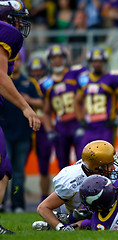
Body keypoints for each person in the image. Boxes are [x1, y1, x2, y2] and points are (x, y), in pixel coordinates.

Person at [0, 0, 40, 234]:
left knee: (4, 168)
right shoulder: (7, 33)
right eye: (18, 18)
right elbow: (1, 77)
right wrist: (26, 107)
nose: (21, 24)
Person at [33, 140, 118, 231]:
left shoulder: (103, 166)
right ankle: (68, 222)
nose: (113, 168)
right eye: (110, 164)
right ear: (96, 168)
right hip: (79, 212)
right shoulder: (72, 179)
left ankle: (65, 221)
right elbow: (43, 207)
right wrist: (61, 228)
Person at [0, 54, 43, 213]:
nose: (16, 63)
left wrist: (28, 100)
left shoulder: (29, 82)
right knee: (4, 169)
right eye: (14, 60)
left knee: (18, 171)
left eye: (18, 60)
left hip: (23, 134)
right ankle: (2, 203)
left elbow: (42, 102)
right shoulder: (3, 79)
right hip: (4, 132)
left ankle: (18, 204)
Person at [74, 47, 118, 149]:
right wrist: (81, 119)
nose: (97, 64)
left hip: (106, 127)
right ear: (90, 62)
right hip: (89, 126)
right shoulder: (84, 79)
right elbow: (76, 101)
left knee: (105, 160)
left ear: (105, 63)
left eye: (100, 61)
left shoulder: (112, 78)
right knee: (84, 159)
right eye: (95, 61)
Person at [40, 44, 86, 169]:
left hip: (77, 122)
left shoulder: (75, 74)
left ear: (65, 58)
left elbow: (87, 97)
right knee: (63, 165)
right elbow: (46, 111)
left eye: (60, 57)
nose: (57, 60)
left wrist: (83, 120)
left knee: (83, 162)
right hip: (61, 126)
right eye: (54, 58)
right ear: (49, 61)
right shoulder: (46, 84)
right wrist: (49, 130)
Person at [27, 56, 52, 202]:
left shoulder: (48, 84)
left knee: (44, 167)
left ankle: (44, 197)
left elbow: (47, 104)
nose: (37, 73)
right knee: (18, 166)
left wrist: (29, 100)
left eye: (39, 70)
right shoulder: (27, 83)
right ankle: (16, 197)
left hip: (43, 127)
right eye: (34, 70)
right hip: (28, 128)